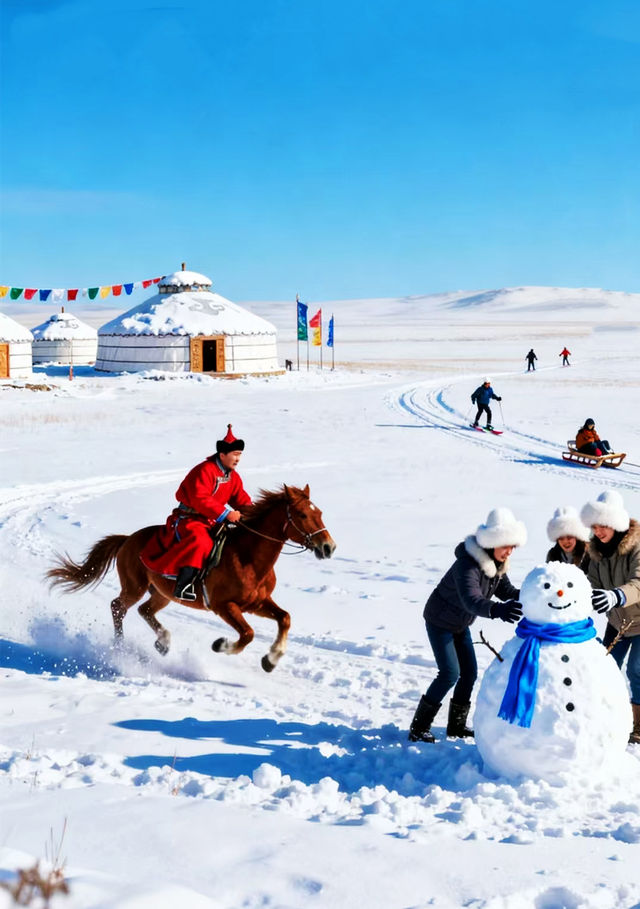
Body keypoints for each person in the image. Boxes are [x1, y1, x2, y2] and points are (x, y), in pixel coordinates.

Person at [408, 507, 526, 743]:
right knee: (450, 673)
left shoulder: (497, 564)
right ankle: (418, 727)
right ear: (493, 542)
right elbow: (472, 600)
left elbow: (507, 592)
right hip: (440, 621)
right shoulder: (468, 565)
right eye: (506, 545)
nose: (510, 551)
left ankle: (456, 726)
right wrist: (497, 610)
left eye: (513, 546)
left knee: (469, 673)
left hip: (460, 624)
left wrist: (533, 597)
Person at [141, 424, 252, 601]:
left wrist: (253, 513)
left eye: (240, 455)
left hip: (211, 521)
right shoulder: (204, 470)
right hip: (189, 519)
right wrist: (226, 514)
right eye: (235, 455)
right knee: (201, 541)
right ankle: (183, 584)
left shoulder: (232, 477)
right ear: (222, 455)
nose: (238, 459)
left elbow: (241, 499)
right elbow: (200, 498)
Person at [581, 490, 640, 744]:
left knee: (637, 671)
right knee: (605, 668)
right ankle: (604, 718)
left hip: (639, 621)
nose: (599, 531)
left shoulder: (637, 545)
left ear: (616, 523)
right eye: (594, 526)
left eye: (603, 525)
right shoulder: (596, 551)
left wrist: (617, 595)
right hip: (616, 622)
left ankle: (638, 726)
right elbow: (591, 583)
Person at [545, 506, 590, 573]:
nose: (565, 541)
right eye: (561, 538)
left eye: (569, 537)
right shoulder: (553, 555)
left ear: (576, 536)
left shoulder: (589, 554)